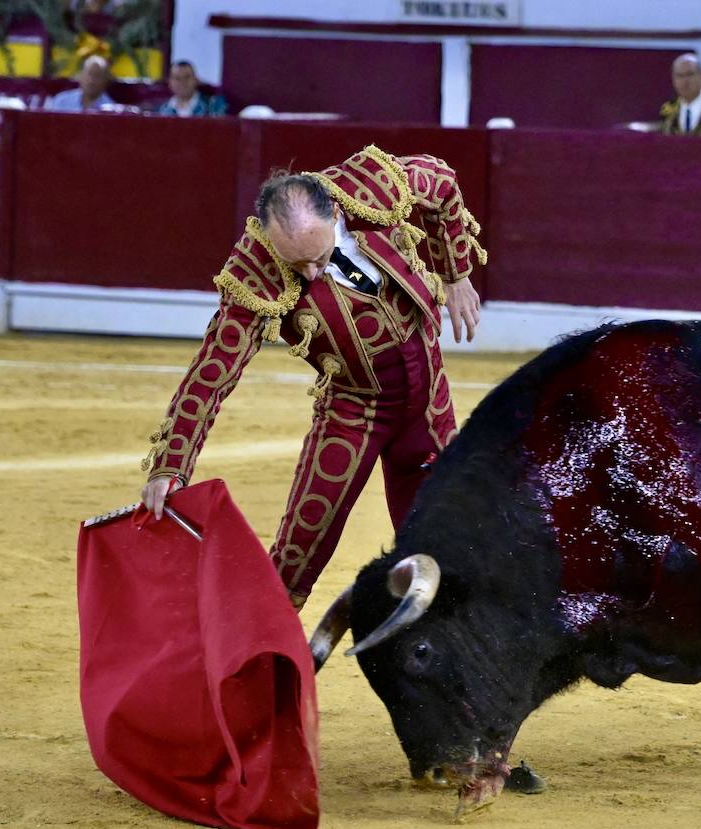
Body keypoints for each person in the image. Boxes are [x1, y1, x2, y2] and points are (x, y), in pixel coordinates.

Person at [139, 144, 488, 611]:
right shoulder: (255, 267)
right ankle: (253, 663)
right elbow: (212, 372)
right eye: (297, 265)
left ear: (335, 215)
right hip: (354, 410)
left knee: (450, 547)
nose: (312, 271)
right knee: (295, 561)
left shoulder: (369, 185)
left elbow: (442, 183)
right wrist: (171, 465)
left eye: (319, 255)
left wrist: (456, 273)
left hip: (429, 400)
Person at [45, 54, 116, 112]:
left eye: (97, 76)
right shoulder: (61, 101)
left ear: (106, 81)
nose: (91, 80)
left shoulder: (110, 109)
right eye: (89, 74)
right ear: (80, 76)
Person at [157, 60, 227, 117]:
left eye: (187, 77)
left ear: (196, 79)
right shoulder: (161, 111)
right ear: (170, 82)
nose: (182, 82)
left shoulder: (213, 105)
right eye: (177, 78)